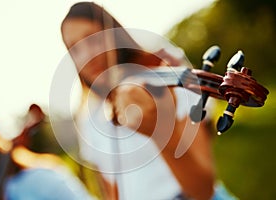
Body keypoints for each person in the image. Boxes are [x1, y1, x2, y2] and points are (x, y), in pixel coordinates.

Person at [59, 2, 237, 200]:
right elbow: (112, 191)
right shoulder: (89, 116)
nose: (86, 55)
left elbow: (204, 191)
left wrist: (161, 131)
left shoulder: (165, 83)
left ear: (114, 35)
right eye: (74, 48)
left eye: (93, 39)